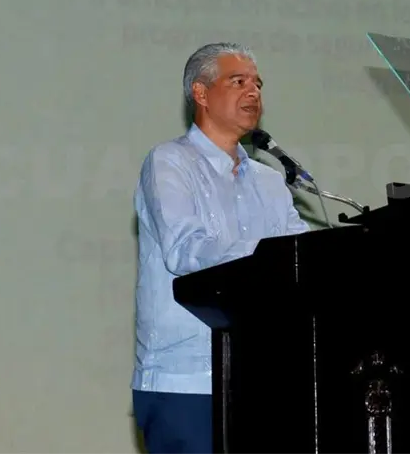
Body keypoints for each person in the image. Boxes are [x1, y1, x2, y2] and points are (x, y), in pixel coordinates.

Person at [131, 43, 310, 454]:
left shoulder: (271, 181)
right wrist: (268, 256)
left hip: (264, 379)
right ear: (201, 92)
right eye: (238, 81)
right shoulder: (169, 162)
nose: (253, 92)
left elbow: (301, 259)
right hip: (187, 378)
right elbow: (185, 249)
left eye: (258, 84)